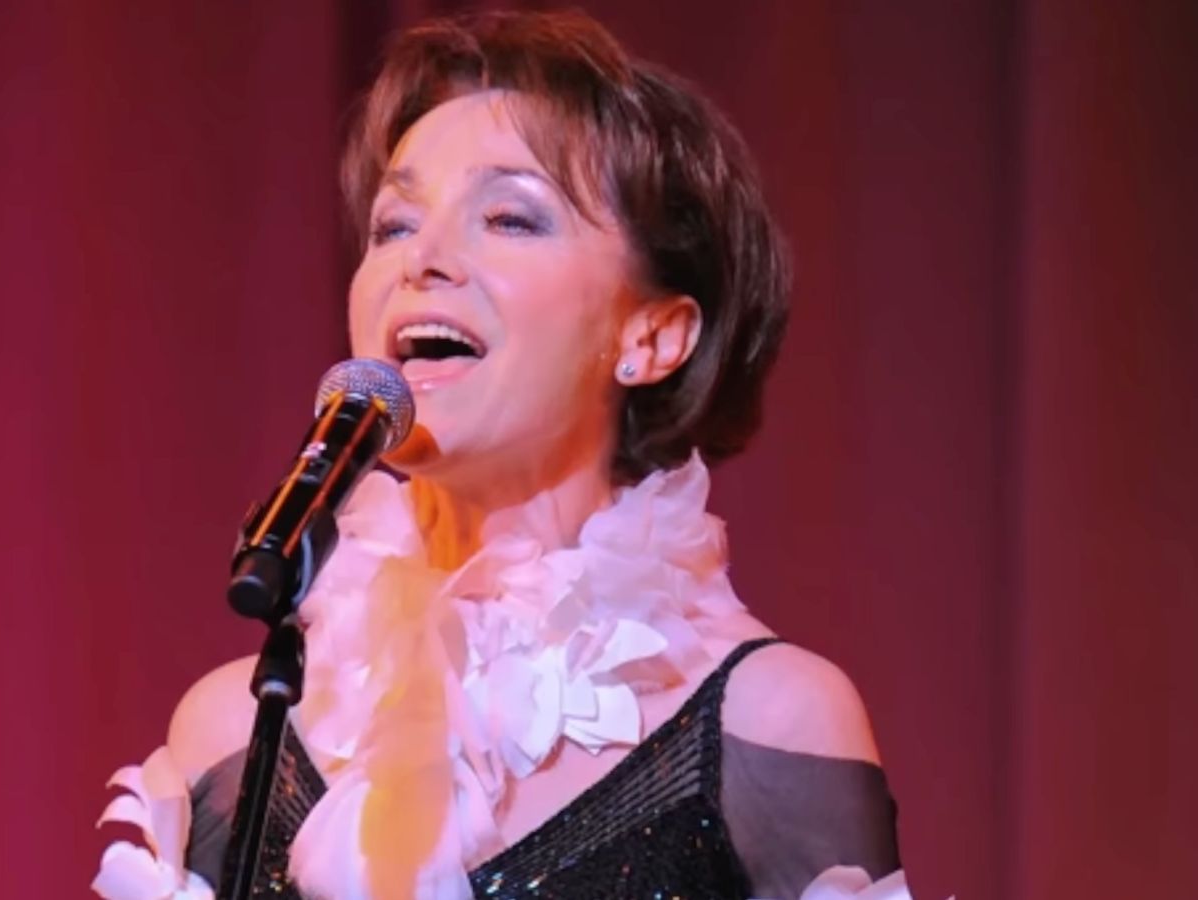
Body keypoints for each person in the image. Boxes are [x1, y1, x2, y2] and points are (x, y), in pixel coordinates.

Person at [95, 9, 902, 900]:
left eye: (511, 219)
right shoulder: (237, 737)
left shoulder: (764, 726)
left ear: (652, 337)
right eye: (393, 225)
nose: (424, 260)